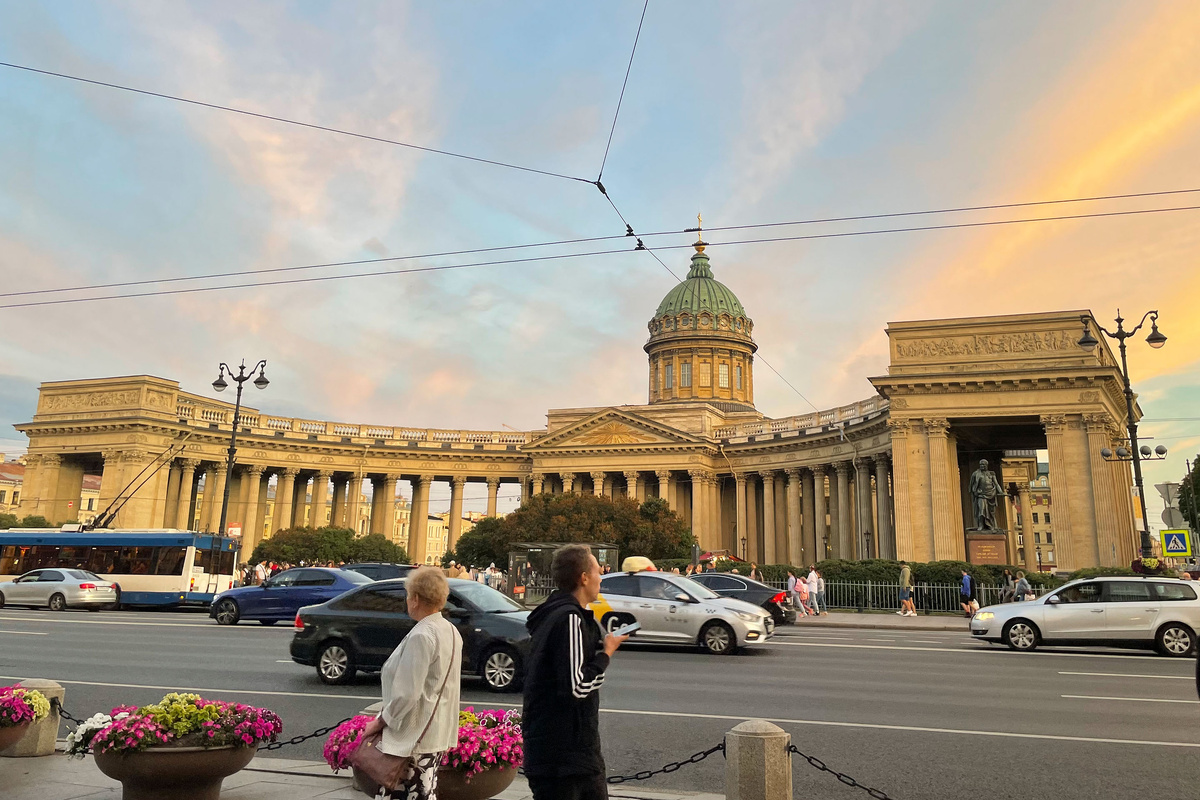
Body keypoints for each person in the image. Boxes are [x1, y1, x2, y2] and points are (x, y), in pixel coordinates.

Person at [524, 544, 628, 800]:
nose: (601, 576)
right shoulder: (569, 618)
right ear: (583, 577)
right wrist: (606, 654)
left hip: (557, 753)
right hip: (566, 758)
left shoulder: (553, 613)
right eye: (597, 570)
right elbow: (576, 687)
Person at [360, 567, 462, 800]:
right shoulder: (451, 630)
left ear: (415, 599)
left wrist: (380, 722)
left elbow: (408, 693)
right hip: (435, 732)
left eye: (408, 595)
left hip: (412, 737)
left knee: (407, 793)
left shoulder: (422, 635)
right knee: (425, 793)